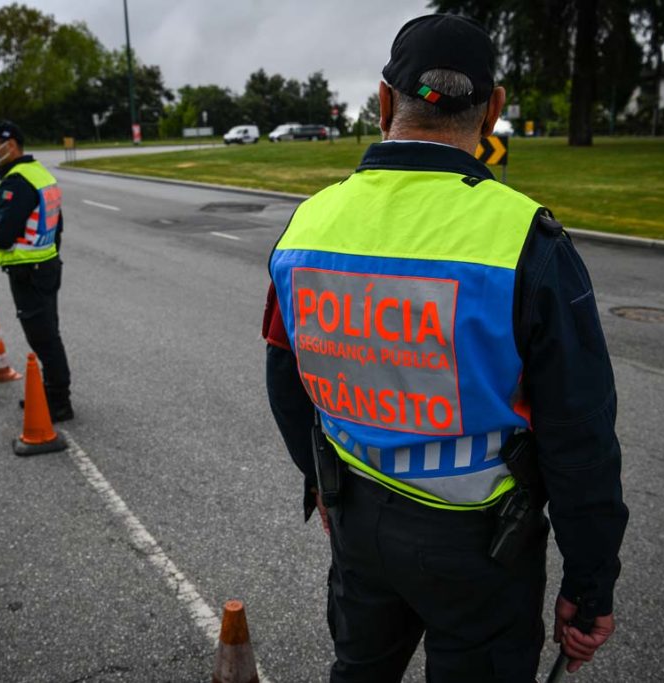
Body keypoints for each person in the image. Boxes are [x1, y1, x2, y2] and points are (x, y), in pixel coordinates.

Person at [264, 14, 628, 683]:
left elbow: (286, 383)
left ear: (382, 102)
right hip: (481, 546)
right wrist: (591, 583)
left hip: (357, 521)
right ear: (493, 112)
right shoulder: (528, 241)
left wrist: (321, 482)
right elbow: (581, 439)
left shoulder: (307, 224)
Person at [0, 120, 73, 422]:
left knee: (43, 338)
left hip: (29, 271)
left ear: (11, 145)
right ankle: (50, 392)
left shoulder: (17, 181)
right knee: (47, 335)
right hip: (46, 265)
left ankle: (58, 402)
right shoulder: (39, 173)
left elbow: (3, 235)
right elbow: (58, 225)